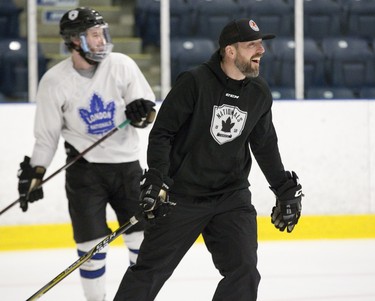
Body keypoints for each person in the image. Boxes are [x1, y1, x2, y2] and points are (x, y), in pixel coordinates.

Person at [113, 18, 304, 301]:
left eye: (261, 43)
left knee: (244, 271)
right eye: (252, 44)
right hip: (182, 196)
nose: (261, 50)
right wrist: (157, 179)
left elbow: (264, 145)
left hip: (231, 197)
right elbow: (162, 133)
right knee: (149, 272)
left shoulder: (259, 92)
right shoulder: (194, 82)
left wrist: (283, 188)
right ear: (230, 51)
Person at [16, 7, 156, 301]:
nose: (101, 41)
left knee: (141, 243)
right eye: (94, 36)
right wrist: (35, 173)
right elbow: (46, 138)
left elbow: (147, 113)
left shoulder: (122, 65)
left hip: (127, 168)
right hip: (85, 171)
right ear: (74, 41)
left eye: (102, 34)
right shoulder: (54, 82)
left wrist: (142, 113)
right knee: (91, 249)